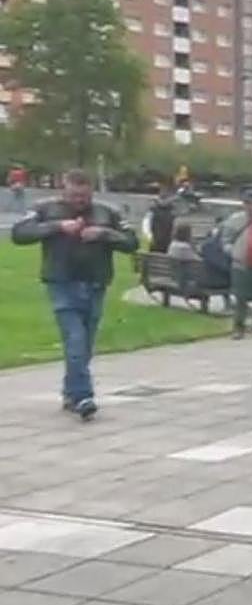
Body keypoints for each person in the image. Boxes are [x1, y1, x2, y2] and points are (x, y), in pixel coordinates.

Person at [11, 169, 138, 420]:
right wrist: (57, 227)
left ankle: (71, 393)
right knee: (75, 339)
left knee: (84, 343)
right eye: (74, 196)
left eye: (84, 196)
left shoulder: (107, 212)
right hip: (62, 282)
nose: (79, 201)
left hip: (95, 283)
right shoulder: (45, 209)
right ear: (64, 190)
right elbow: (19, 233)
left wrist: (104, 234)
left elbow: (131, 242)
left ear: (91, 192)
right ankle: (83, 396)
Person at [220, 188, 252, 339]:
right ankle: (239, 328)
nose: (250, 206)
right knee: (240, 298)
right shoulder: (235, 220)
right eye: (246, 203)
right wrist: (234, 253)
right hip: (240, 266)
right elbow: (225, 241)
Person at [145, 188, 176, 253]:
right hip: (162, 241)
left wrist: (149, 237)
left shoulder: (153, 210)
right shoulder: (171, 212)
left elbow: (146, 226)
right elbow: (146, 224)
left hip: (160, 241)